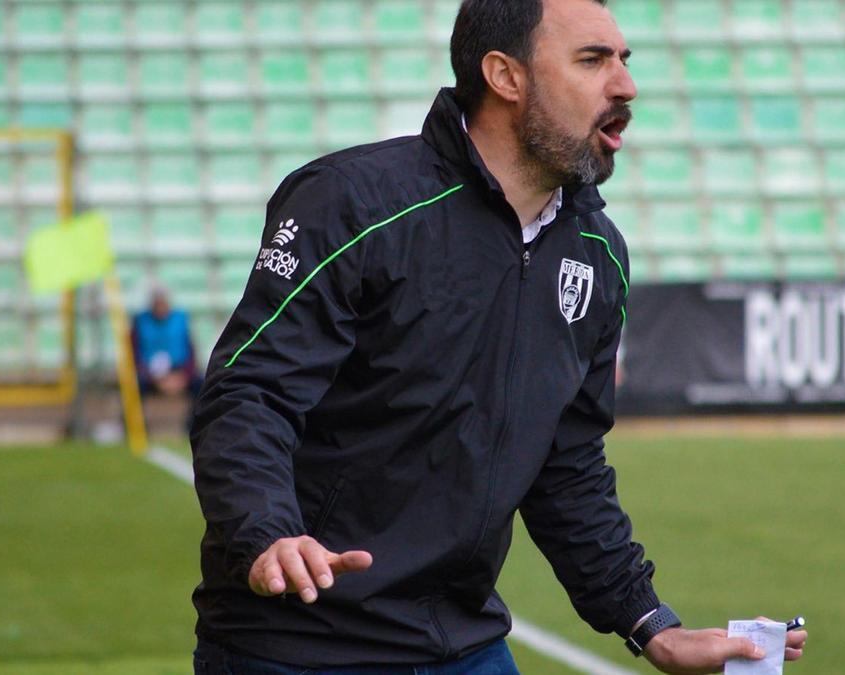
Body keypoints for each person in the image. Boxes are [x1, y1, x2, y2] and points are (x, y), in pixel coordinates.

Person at [190, 1, 808, 673]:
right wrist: (267, 531)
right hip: (300, 643)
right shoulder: (354, 204)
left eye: (625, 60)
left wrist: (651, 622)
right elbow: (250, 393)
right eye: (593, 59)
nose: (626, 84)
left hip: (463, 642)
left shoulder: (599, 254)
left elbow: (567, 465)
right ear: (505, 77)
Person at [131, 287, 202, 430]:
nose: (160, 307)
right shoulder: (140, 322)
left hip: (178, 372)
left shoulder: (181, 319)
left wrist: (184, 376)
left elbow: (191, 352)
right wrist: (155, 379)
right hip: (150, 374)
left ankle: (193, 425)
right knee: (133, 386)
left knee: (202, 384)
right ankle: (136, 427)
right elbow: (135, 355)